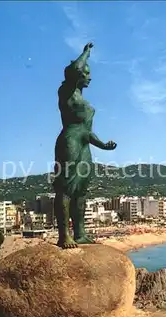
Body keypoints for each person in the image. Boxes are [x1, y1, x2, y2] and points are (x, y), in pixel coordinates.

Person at [53, 42, 116, 248]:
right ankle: (64, 235)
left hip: (84, 145)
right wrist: (86, 52)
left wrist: (103, 145)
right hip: (70, 142)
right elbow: (75, 68)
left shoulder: (81, 98)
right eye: (86, 73)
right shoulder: (66, 91)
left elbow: (87, 131)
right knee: (66, 188)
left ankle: (80, 233)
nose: (89, 76)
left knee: (80, 190)